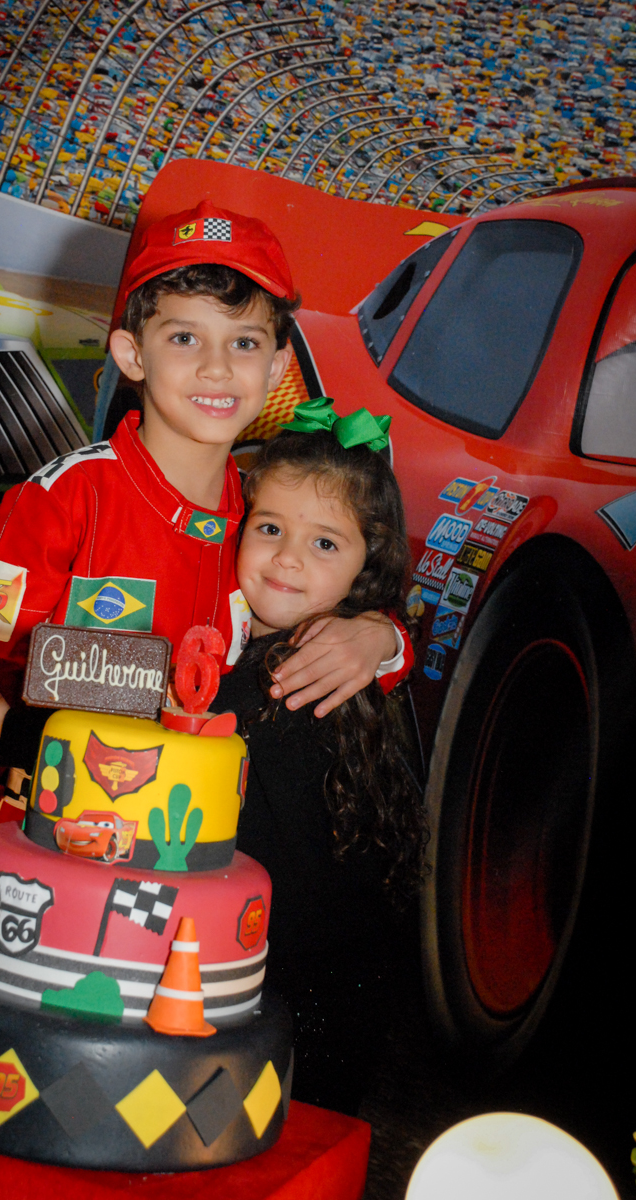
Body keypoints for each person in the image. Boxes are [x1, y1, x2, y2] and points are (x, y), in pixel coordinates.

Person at [0, 200, 410, 947]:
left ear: (277, 368)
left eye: (244, 343)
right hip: (47, 860)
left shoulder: (265, 522)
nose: (216, 368)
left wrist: (379, 638)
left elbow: (340, 618)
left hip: (188, 861)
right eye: (184, 337)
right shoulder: (62, 499)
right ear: (131, 353)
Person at [215, 399, 428, 1116]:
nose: (286, 558)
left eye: (324, 544)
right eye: (270, 529)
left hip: (280, 1019)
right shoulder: (328, 657)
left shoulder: (280, 679)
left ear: (368, 565)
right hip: (308, 1019)